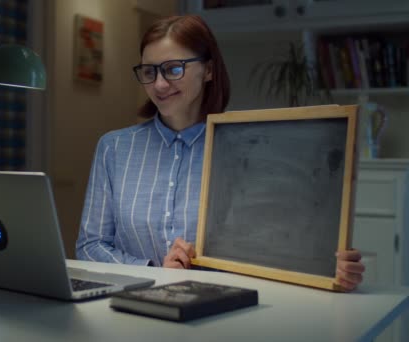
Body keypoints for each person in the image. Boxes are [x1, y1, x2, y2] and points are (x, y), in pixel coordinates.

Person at [75, 15, 364, 291]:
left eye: (174, 69)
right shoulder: (114, 148)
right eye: (150, 71)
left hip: (223, 315)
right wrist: (153, 270)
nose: (160, 84)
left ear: (209, 69)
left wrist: (329, 270)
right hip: (130, 315)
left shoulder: (251, 149)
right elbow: (90, 246)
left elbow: (274, 251)